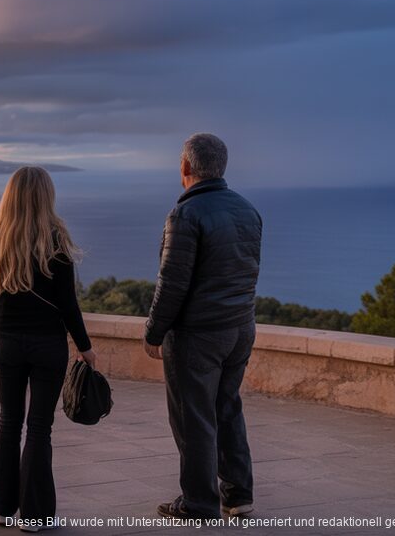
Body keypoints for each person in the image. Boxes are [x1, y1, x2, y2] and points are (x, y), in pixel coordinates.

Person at [143, 133, 261, 520]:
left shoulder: (185, 215)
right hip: (240, 329)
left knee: (193, 417)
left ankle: (198, 502)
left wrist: (154, 332)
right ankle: (238, 496)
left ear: (185, 167)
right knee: (227, 409)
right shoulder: (247, 210)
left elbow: (171, 283)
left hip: (198, 335)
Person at [0, 166, 97, 532]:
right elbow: (67, 303)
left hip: (6, 341)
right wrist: (85, 347)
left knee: (8, 422)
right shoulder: (56, 240)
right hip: (47, 345)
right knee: (39, 428)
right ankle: (35, 515)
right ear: (46, 196)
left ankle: (2, 508)